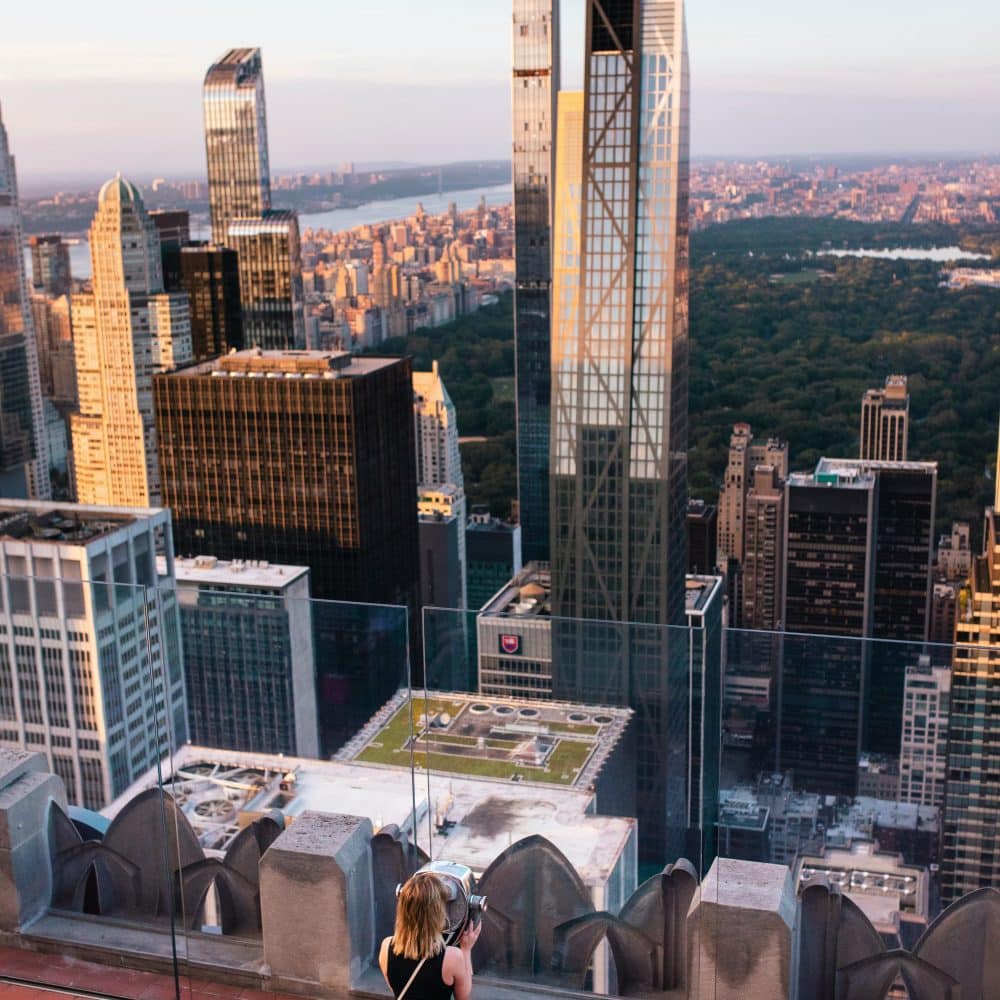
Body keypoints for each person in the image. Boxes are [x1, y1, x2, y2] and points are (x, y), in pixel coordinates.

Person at [379, 871, 481, 1000]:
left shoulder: (386, 947)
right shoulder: (452, 957)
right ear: (436, 914)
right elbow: (464, 997)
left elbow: (401, 990)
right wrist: (466, 949)